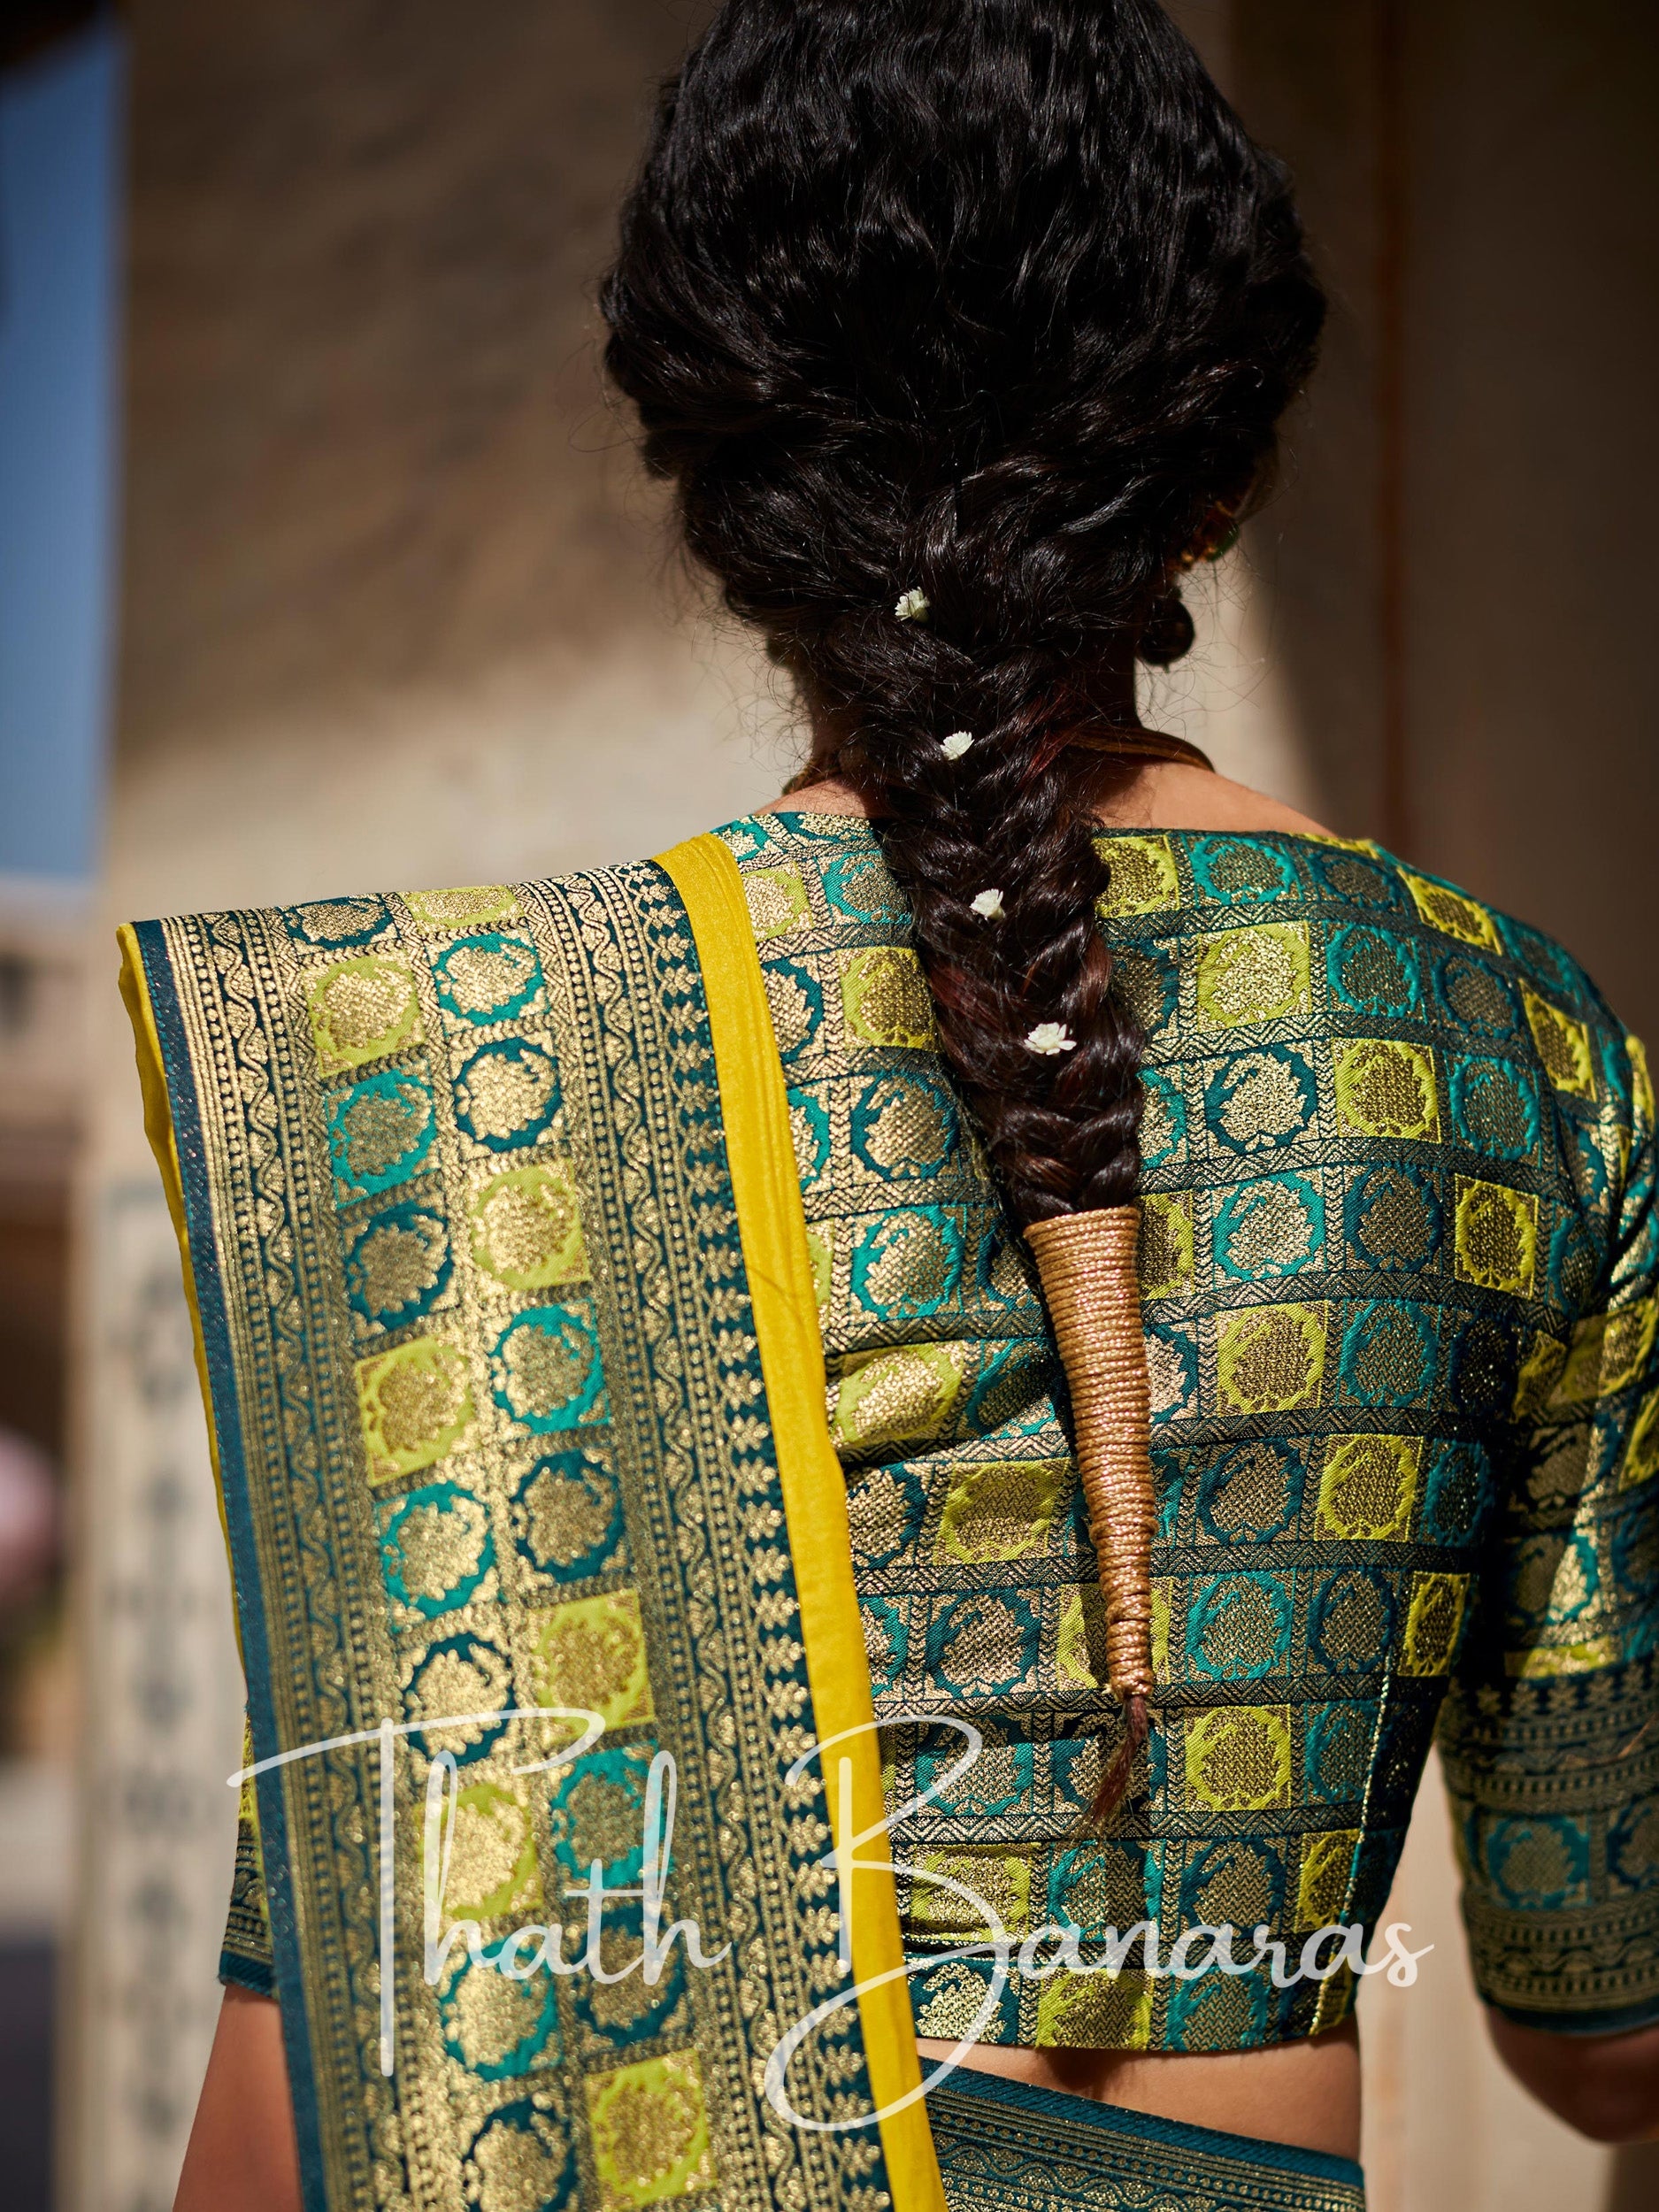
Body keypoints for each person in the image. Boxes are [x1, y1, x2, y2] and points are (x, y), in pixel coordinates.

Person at [129, 5, 1659, 2208]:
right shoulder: (1512, 1050)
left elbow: (295, 2131)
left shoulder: (471, 1062)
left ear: (716, 483)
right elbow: (1601, 2035)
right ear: (1216, 467)